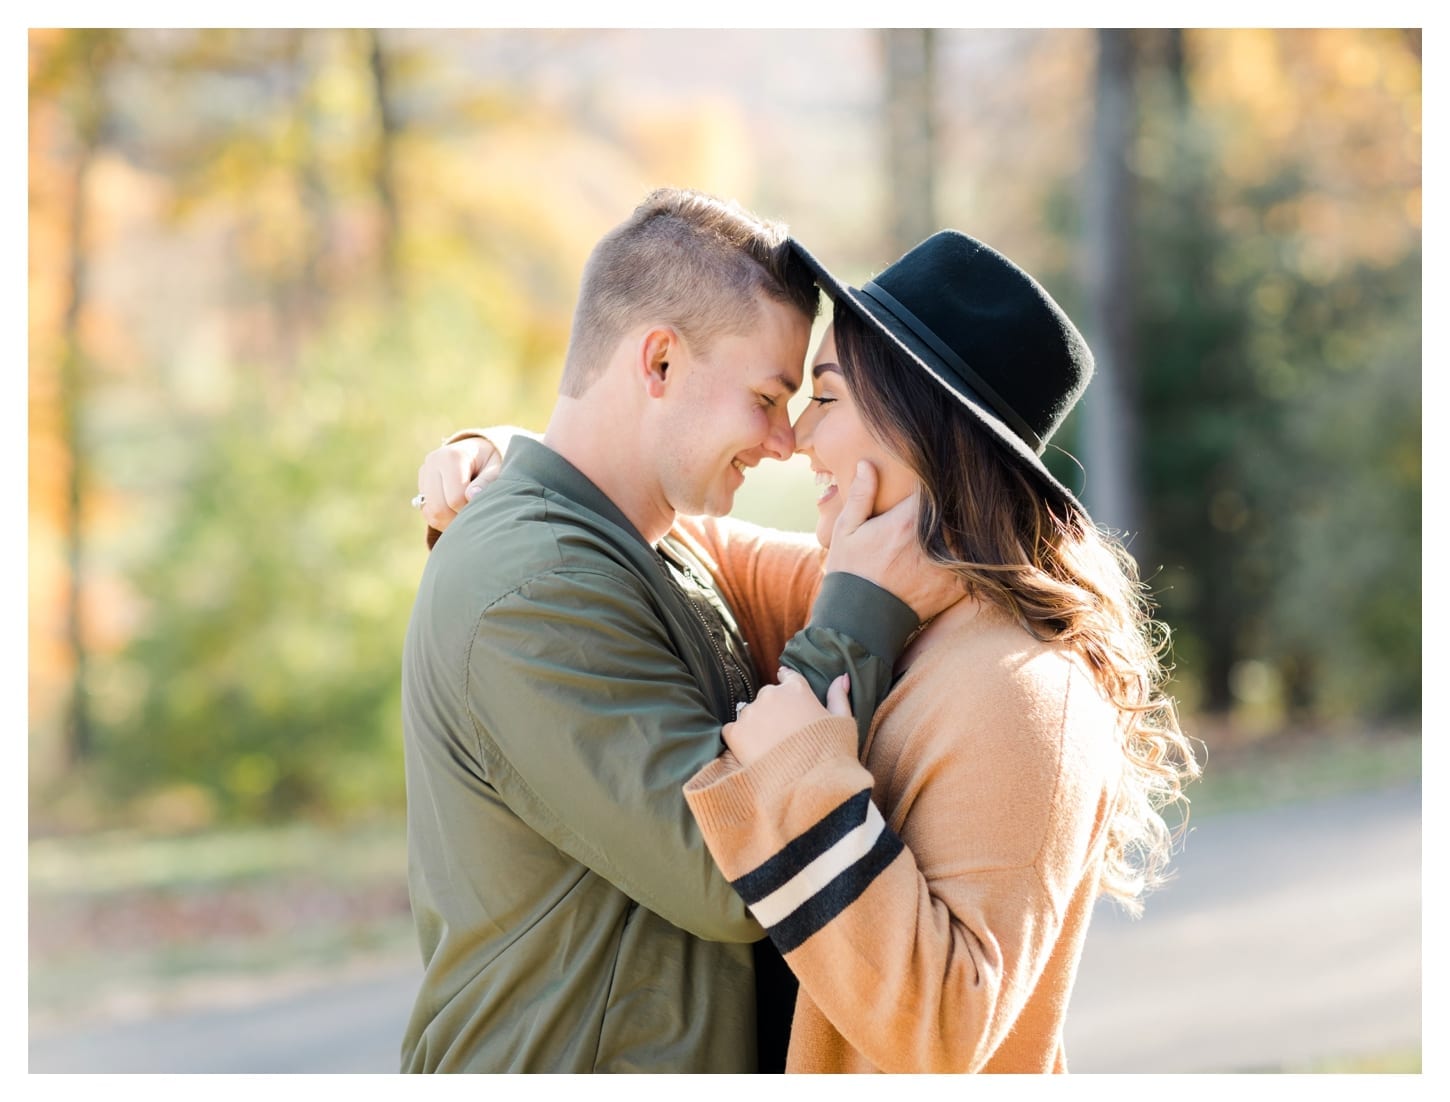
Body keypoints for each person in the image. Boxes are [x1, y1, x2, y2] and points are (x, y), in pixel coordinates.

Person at [426, 230, 1200, 1073]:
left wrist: (800, 769)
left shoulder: (1024, 690)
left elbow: (947, 1032)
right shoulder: (884, 601)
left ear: (919, 429)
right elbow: (643, 529)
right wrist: (509, 459)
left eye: (822, 399)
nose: (793, 438)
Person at [399, 187, 956, 1073]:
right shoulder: (531, 588)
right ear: (658, 363)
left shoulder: (649, 546)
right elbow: (735, 865)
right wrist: (859, 610)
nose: (787, 440)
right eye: (769, 396)